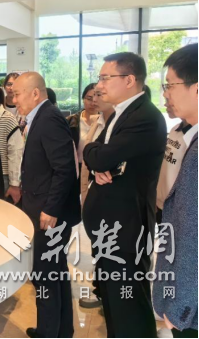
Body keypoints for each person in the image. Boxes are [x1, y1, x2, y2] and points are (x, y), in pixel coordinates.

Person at [83, 52, 166, 338]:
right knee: (114, 301)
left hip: (127, 229)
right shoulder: (122, 112)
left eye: (106, 78)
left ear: (129, 80)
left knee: (129, 304)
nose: (99, 85)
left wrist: (96, 159)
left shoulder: (145, 117)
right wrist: (97, 163)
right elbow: (97, 152)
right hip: (111, 227)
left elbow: (98, 154)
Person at [12, 72, 80, 338]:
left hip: (50, 212)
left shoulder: (48, 118)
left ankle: (50, 332)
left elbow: (64, 169)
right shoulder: (40, 117)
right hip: (43, 206)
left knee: (46, 275)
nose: (14, 99)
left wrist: (50, 209)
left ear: (35, 93)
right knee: (54, 272)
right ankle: (59, 330)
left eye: (17, 94)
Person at [154, 43, 198, 339]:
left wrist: (180, 306)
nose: (166, 94)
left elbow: (194, 235)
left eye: (170, 85)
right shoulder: (185, 134)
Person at [78, 88, 114, 310]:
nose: (95, 100)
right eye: (91, 96)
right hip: (93, 188)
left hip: (111, 197)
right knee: (99, 246)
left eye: (100, 95)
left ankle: (106, 293)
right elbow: (88, 155)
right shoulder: (97, 122)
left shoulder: (120, 125)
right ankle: (100, 290)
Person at [155, 101, 190, 225]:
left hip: (179, 212)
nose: (166, 104)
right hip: (162, 205)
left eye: (170, 100)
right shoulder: (175, 129)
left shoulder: (193, 136)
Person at [67, 83, 99, 166]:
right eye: (89, 98)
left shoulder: (105, 122)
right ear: (83, 99)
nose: (93, 103)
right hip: (75, 167)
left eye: (97, 98)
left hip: (96, 167)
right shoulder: (70, 121)